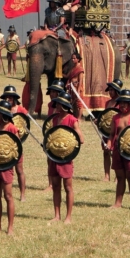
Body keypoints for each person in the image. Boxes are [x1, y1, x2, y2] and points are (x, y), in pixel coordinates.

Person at [47, 93, 83, 224]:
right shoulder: (55, 120)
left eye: (59, 104)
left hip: (66, 157)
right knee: (56, 186)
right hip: (54, 156)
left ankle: (68, 216)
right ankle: (57, 215)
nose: (56, 106)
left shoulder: (72, 120)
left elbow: (81, 139)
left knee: (68, 187)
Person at [106, 89, 130, 210]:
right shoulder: (115, 117)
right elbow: (112, 134)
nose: (123, 105)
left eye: (125, 102)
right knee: (120, 177)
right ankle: (118, 203)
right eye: (121, 102)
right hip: (118, 150)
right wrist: (108, 144)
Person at [0, 100, 18, 235]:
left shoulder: (12, 128)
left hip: (6, 166)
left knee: (8, 196)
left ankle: (10, 227)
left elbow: (17, 147)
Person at [0, 86, 28, 201]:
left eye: (10, 98)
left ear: (14, 98)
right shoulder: (3, 110)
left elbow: (25, 124)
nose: (8, 100)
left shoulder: (21, 110)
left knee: (19, 170)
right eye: (6, 98)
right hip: (4, 146)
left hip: (16, 145)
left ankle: (22, 194)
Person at [102, 79, 124, 181]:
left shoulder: (121, 103)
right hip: (106, 130)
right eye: (109, 90)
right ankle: (107, 175)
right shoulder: (107, 103)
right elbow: (105, 116)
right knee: (106, 152)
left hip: (116, 131)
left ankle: (117, 176)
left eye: (112, 90)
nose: (110, 92)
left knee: (116, 153)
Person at [67, 53, 84, 119]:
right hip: (72, 89)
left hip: (77, 88)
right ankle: (75, 116)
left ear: (78, 59)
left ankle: (79, 119)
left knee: (79, 104)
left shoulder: (80, 69)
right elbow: (67, 76)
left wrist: (78, 90)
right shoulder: (73, 68)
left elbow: (80, 81)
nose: (72, 60)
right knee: (73, 104)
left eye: (74, 58)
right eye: (72, 58)